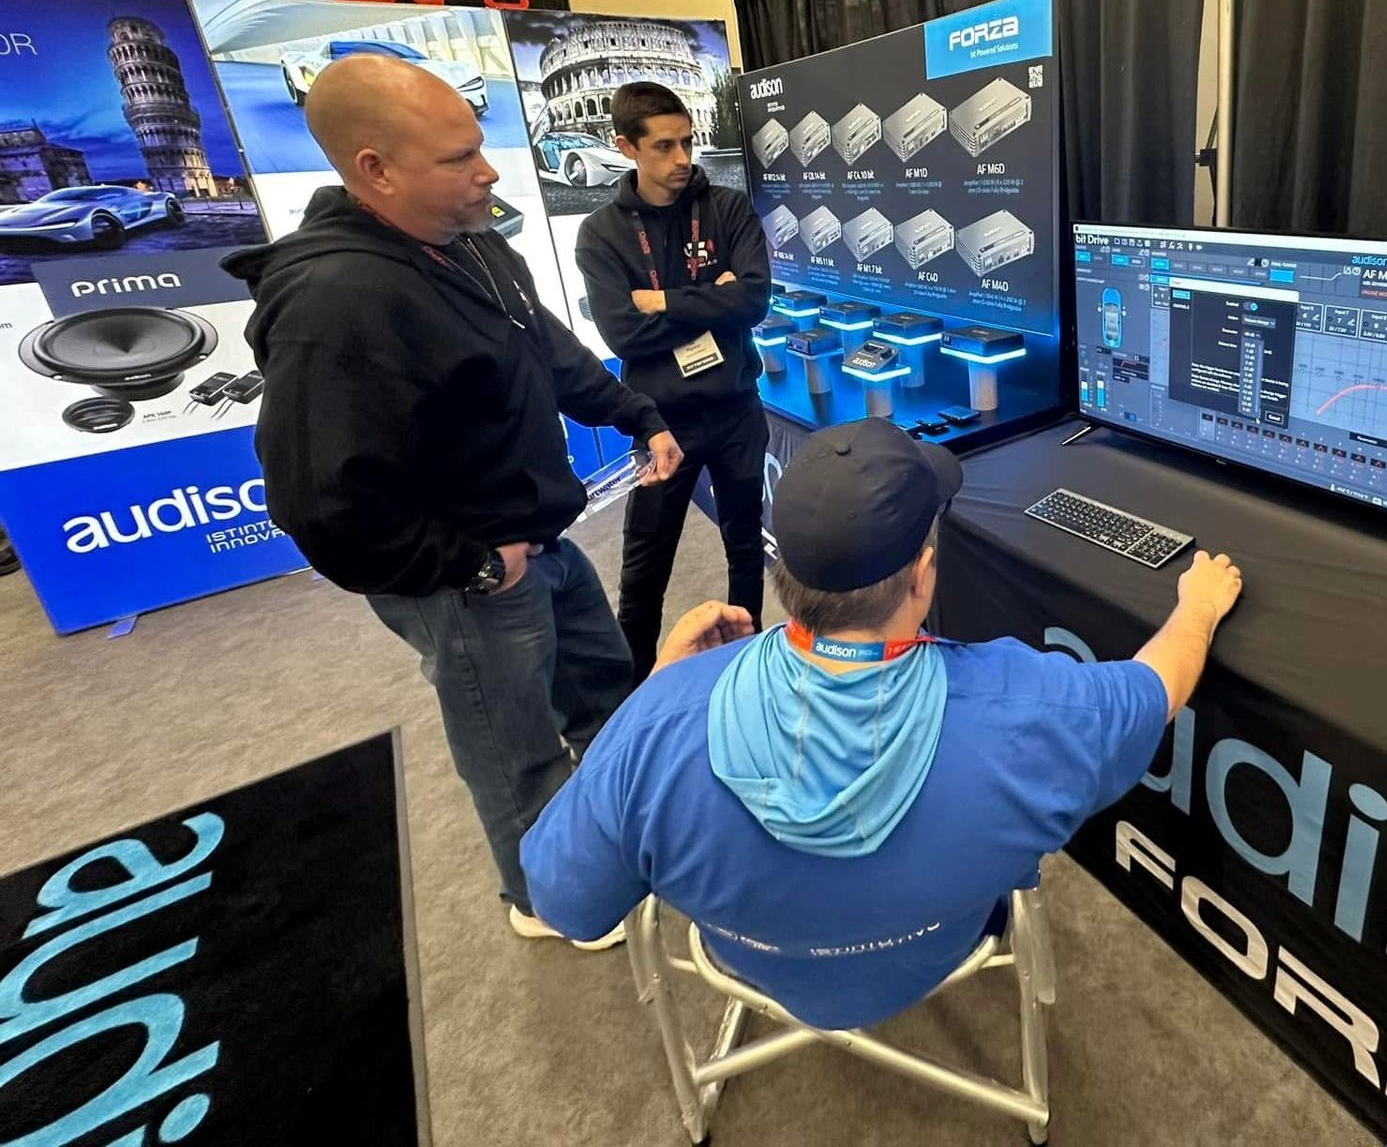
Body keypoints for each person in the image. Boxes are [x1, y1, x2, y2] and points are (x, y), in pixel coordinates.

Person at [521, 418, 1243, 1025]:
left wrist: (656, 690)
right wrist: (1199, 606)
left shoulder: (660, 722)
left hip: (748, 956)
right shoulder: (1029, 708)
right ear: (922, 575)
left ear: (786, 573)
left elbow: (567, 901)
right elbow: (1157, 686)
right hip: (937, 947)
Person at [225, 53, 685, 949]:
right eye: (458, 158)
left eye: (479, 149)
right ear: (375, 169)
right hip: (468, 576)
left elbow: (546, 351)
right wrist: (471, 564)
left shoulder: (472, 245)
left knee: (602, 692)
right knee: (512, 746)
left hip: (539, 538)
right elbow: (319, 505)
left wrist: (636, 415)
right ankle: (542, 897)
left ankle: (624, 827)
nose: (488, 172)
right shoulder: (338, 300)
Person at [575, 81, 773, 684]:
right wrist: (713, 299)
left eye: (687, 142)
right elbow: (624, 337)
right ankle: (634, 689)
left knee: (746, 546)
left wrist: (660, 300)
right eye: (664, 146)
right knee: (645, 568)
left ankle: (747, 665)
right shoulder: (602, 233)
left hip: (738, 408)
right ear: (626, 147)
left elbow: (755, 300)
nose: (684, 158)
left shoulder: (728, 208)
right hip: (663, 422)